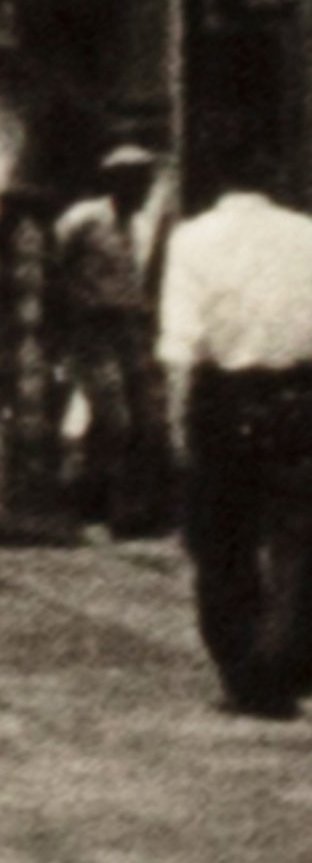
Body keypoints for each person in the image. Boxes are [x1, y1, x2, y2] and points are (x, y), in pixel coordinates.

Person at [158, 140, 312, 722]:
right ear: (274, 175)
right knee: (299, 537)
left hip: (224, 401)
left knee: (224, 545)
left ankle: (245, 671)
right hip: (300, 397)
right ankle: (284, 659)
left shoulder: (192, 240)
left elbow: (180, 343)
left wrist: (176, 423)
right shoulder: (308, 235)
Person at [54, 137, 174, 539]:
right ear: (117, 182)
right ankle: (88, 500)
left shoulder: (140, 227)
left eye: (147, 182)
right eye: (137, 182)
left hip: (131, 325)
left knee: (146, 417)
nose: (144, 191)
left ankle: (127, 508)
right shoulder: (84, 218)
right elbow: (54, 265)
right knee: (112, 416)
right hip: (91, 326)